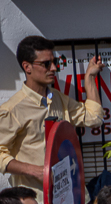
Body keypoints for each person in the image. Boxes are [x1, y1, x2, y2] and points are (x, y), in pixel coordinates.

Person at [0, 38, 105, 194]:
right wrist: (35, 170)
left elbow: (94, 117)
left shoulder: (58, 99)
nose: (54, 68)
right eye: (46, 64)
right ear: (27, 67)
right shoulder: (13, 109)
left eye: (55, 62)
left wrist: (89, 77)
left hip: (70, 198)